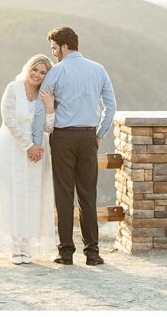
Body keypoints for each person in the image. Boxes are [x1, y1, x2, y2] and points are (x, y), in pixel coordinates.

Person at [31, 25, 116, 266]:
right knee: (88, 196)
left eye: (54, 48)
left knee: (64, 196)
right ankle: (93, 253)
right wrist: (100, 134)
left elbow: (40, 110)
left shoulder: (56, 72)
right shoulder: (98, 69)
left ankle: (66, 252)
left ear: (64, 46)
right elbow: (111, 106)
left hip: (63, 138)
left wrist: (37, 142)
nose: (54, 53)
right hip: (88, 138)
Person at [0, 54, 57, 263]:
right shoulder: (13, 88)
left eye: (43, 72)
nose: (37, 74)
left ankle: (27, 245)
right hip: (13, 147)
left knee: (31, 194)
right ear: (28, 68)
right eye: (34, 69)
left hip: (37, 151)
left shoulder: (45, 95)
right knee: (13, 193)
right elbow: (8, 119)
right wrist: (28, 146)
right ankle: (14, 246)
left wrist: (50, 106)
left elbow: (48, 127)